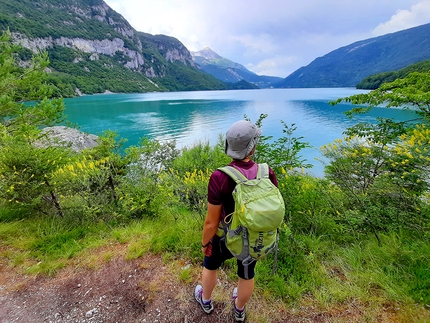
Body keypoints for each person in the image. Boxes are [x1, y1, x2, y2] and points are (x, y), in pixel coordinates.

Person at [194, 120, 279, 322]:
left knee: (210, 266)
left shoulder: (219, 177)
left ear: (228, 146)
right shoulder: (267, 172)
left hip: (223, 236)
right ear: (253, 147)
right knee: (246, 275)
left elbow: (211, 223)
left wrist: (205, 243)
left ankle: (205, 300)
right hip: (253, 236)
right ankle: (239, 309)